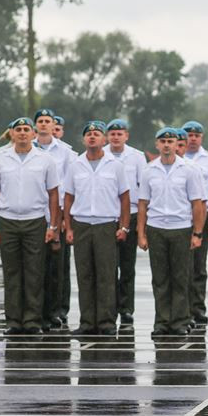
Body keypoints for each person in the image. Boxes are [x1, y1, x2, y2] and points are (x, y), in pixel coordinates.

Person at [0, 118, 60, 335]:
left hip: (35, 220)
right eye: (18, 130)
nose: (22, 133)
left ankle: (32, 320)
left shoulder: (45, 160)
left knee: (34, 272)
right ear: (12, 134)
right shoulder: (0, 159)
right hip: (7, 220)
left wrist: (53, 225)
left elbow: (54, 194)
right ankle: (13, 321)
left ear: (34, 134)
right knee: (11, 273)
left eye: (26, 130)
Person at [137, 127, 206, 337]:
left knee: (181, 277)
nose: (167, 144)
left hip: (181, 228)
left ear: (177, 144)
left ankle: (180, 321)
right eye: (163, 141)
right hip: (156, 228)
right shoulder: (149, 170)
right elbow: (142, 204)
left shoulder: (189, 169)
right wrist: (141, 233)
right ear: (157, 144)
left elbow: (197, 204)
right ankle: (162, 321)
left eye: (170, 141)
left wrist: (197, 233)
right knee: (160, 278)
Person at [63, 122, 130, 336]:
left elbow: (125, 197)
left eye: (96, 134)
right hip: (82, 223)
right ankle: (87, 322)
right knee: (85, 275)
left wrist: (124, 226)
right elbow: (68, 197)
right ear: (84, 140)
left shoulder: (115, 165)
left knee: (107, 275)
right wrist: (68, 226)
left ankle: (106, 322)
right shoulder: (75, 164)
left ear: (104, 140)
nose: (92, 137)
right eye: (88, 134)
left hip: (105, 224)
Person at [34, 108, 76, 331]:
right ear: (35, 126)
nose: (43, 124)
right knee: (34, 269)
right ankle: (36, 313)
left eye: (47, 121)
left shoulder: (67, 153)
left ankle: (56, 311)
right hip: (32, 216)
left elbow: (68, 189)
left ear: (54, 126)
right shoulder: (24, 149)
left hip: (56, 216)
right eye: (39, 121)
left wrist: (63, 220)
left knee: (56, 270)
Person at [103, 119, 146, 328]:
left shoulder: (137, 157)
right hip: (108, 215)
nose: (116, 137)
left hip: (132, 214)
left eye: (119, 133)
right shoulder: (100, 154)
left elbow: (144, 188)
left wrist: (142, 226)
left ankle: (127, 309)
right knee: (109, 267)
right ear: (107, 136)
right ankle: (109, 308)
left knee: (127, 266)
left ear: (126, 136)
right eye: (112, 133)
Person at [181, 120, 208, 326]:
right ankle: (183, 310)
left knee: (198, 266)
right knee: (182, 266)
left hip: (202, 215)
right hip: (180, 216)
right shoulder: (176, 157)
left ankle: (197, 308)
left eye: (196, 136)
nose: (192, 139)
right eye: (188, 135)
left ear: (201, 138)